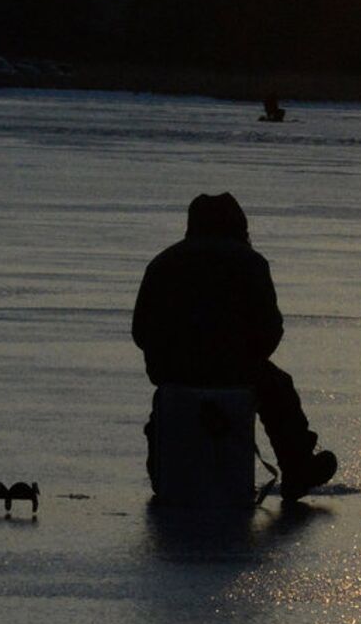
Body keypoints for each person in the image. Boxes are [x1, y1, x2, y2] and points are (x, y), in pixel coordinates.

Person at [132, 193, 336, 500]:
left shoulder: (163, 262)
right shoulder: (251, 262)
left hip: (174, 370)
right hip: (236, 370)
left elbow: (140, 331)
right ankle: (297, 468)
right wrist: (245, 358)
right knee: (278, 389)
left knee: (168, 403)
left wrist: (167, 359)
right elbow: (271, 330)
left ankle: (163, 469)